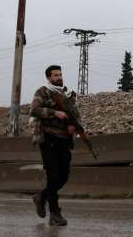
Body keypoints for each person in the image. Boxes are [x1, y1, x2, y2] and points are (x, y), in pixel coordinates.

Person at [29, 65, 81, 226]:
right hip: (48, 138)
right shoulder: (42, 92)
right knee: (53, 176)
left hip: (64, 140)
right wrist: (54, 113)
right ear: (49, 78)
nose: (59, 77)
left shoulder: (68, 93)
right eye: (55, 75)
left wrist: (74, 126)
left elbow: (75, 114)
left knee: (64, 177)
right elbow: (34, 110)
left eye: (60, 74)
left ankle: (41, 197)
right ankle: (55, 213)